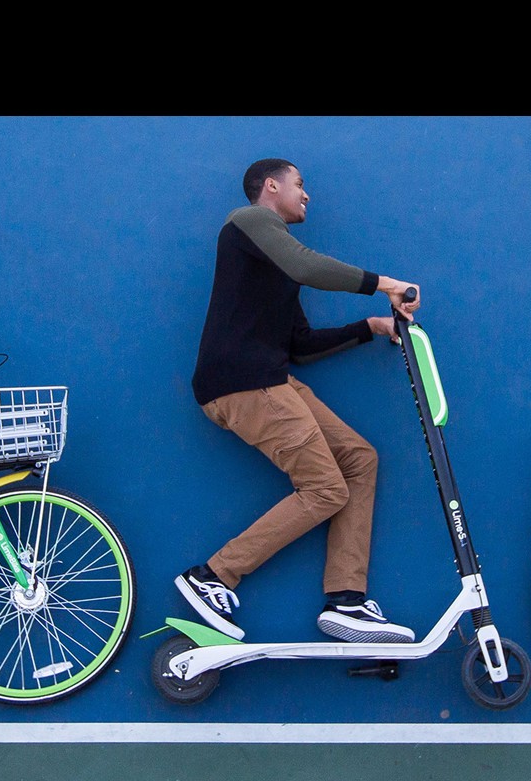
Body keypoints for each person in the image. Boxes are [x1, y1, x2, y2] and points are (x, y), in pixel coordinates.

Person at [174, 158, 422, 643]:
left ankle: (347, 602)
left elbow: (301, 347)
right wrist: (387, 285)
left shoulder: (276, 265)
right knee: (325, 490)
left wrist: (371, 328)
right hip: (245, 383)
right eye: (299, 185)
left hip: (272, 378)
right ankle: (213, 576)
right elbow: (307, 265)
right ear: (271, 186)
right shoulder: (247, 222)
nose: (306, 196)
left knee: (359, 460)